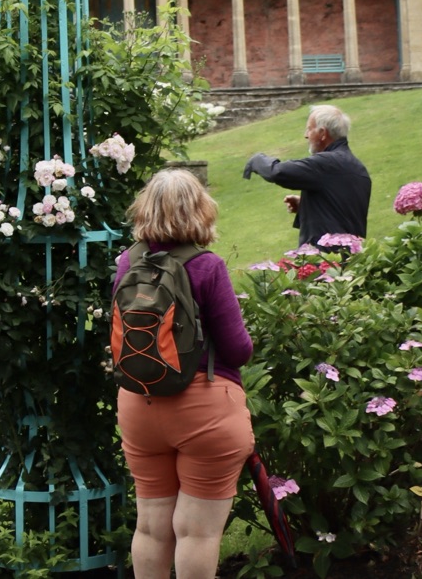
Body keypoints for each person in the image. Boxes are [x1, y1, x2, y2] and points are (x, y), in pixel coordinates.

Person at [113, 169, 254, 579]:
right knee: (197, 534)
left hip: (140, 404)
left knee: (152, 527)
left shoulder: (128, 261)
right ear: (200, 210)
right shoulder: (207, 266)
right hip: (204, 409)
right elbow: (236, 350)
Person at [242, 105, 372, 246]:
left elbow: (278, 172)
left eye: (309, 129)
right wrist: (307, 205)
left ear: (322, 133)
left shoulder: (326, 163)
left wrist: (257, 159)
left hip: (326, 261)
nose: (306, 135)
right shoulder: (359, 168)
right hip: (354, 260)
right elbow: (343, 211)